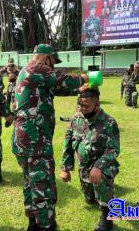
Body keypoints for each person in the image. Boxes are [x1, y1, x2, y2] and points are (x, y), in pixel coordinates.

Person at [12, 44, 88, 231]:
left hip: (24, 140)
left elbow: (57, 88)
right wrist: (84, 78)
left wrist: (78, 90)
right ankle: (46, 226)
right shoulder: (37, 68)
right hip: (35, 141)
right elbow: (65, 81)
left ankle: (33, 223)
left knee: (31, 182)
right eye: (53, 62)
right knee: (44, 187)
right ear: (46, 58)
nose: (52, 67)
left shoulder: (30, 73)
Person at [60, 88, 120, 231]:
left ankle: (107, 215)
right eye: (80, 104)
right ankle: (101, 191)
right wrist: (65, 168)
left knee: (101, 182)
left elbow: (113, 149)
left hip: (102, 167)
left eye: (86, 105)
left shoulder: (109, 122)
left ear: (97, 104)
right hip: (84, 168)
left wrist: (98, 167)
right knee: (89, 200)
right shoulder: (76, 119)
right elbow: (68, 144)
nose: (82, 108)